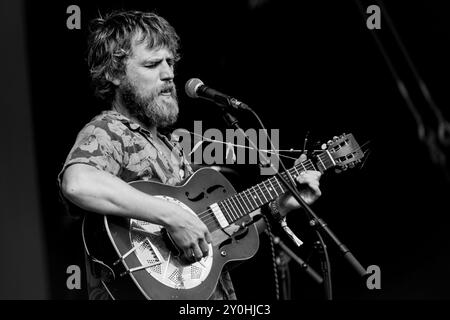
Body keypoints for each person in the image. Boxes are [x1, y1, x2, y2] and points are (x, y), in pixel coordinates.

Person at [58, 10, 322, 300]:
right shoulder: (108, 130)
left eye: (170, 62)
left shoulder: (174, 148)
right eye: (152, 64)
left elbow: (212, 239)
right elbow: (77, 183)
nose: (168, 74)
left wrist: (281, 205)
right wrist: (172, 215)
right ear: (113, 73)